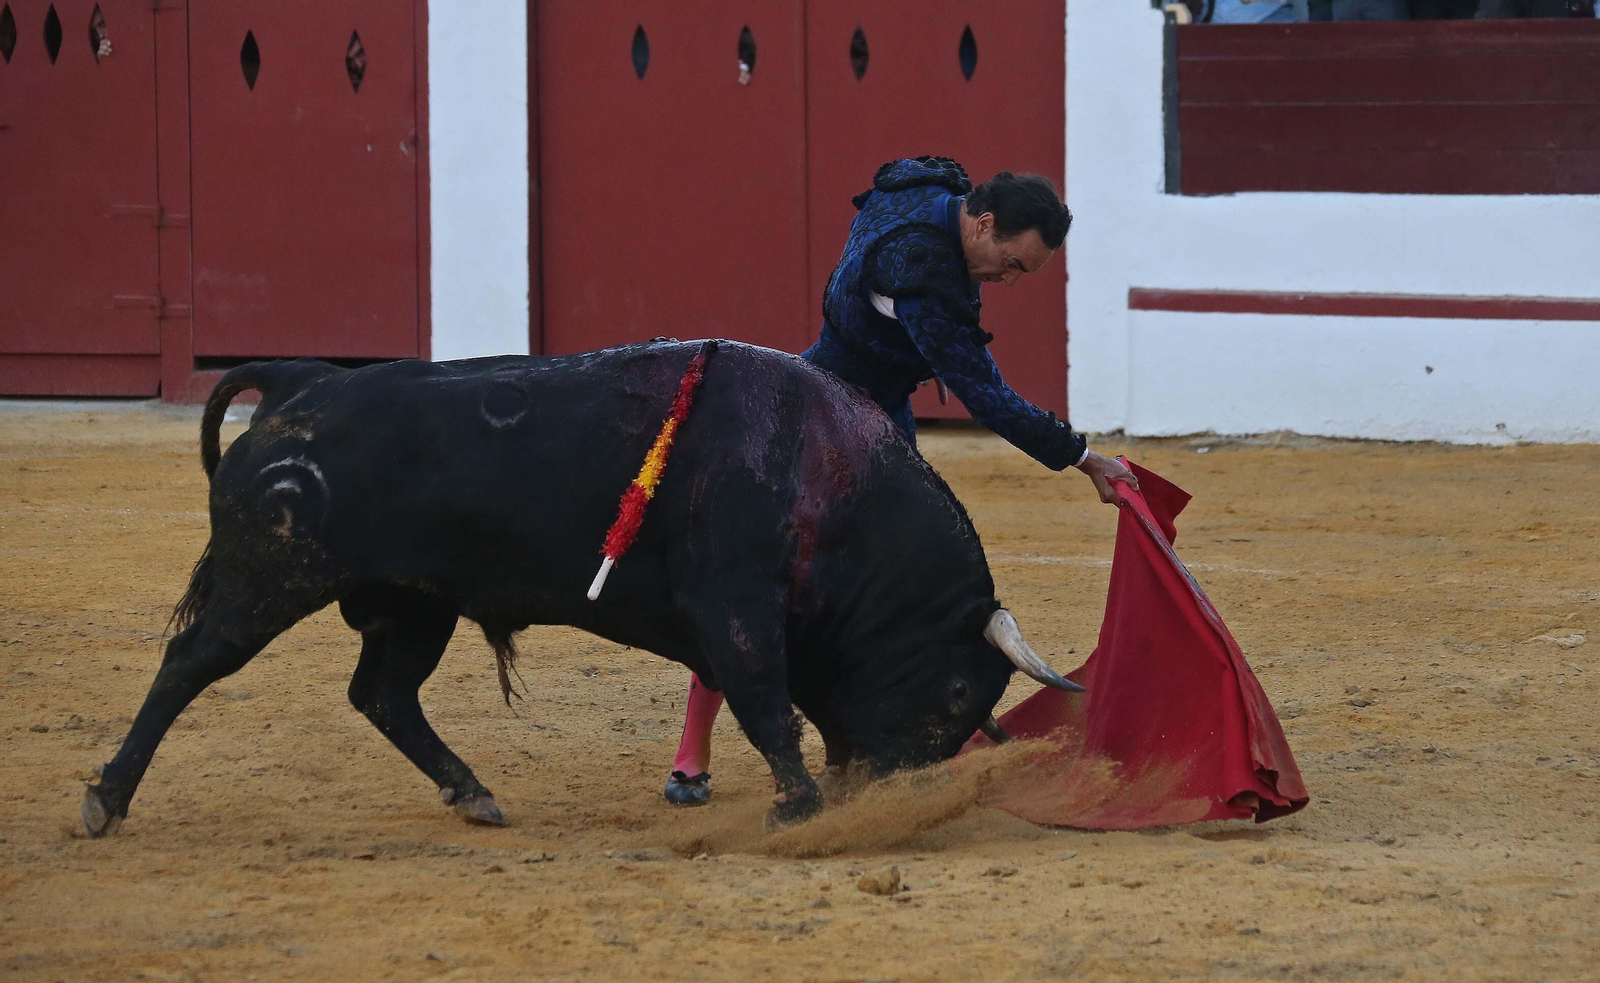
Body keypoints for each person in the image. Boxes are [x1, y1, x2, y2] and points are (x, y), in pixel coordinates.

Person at [662, 156, 1139, 805]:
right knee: (760, 577)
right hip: (825, 424)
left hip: (871, 414)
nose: (1010, 279)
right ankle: (693, 751)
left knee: (902, 578)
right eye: (1014, 262)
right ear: (984, 224)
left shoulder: (927, 186)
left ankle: (919, 715)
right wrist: (1085, 459)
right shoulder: (924, 273)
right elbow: (987, 397)